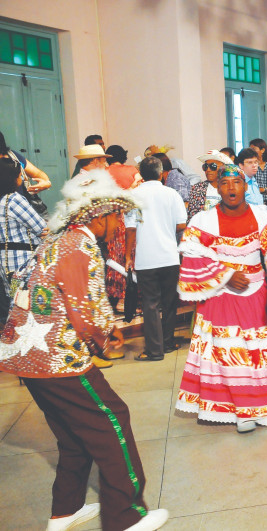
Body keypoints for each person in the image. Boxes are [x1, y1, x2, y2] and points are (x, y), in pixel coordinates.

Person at [0, 170, 169, 531]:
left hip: (25, 357)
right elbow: (82, 304)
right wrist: (105, 336)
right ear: (100, 215)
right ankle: (125, 517)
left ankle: (65, 511)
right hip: (58, 359)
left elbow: (71, 295)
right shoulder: (81, 244)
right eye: (116, 215)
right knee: (113, 419)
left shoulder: (58, 240)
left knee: (71, 434)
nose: (120, 222)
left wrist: (105, 326)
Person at [175, 166, 267, 433]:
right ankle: (243, 410)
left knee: (259, 353)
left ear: (245, 186)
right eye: (225, 183)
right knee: (230, 355)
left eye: (236, 183)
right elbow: (193, 257)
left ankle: (262, 404)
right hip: (221, 297)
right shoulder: (203, 220)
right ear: (217, 189)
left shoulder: (262, 215)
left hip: (258, 297)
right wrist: (227, 275)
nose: (231, 188)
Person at [125, 156, 187, 362]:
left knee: (150, 304)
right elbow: (181, 225)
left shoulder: (134, 195)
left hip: (146, 258)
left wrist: (127, 256)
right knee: (169, 302)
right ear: (161, 173)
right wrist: (165, 225)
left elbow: (131, 229)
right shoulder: (171, 194)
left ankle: (154, 350)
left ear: (141, 174)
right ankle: (168, 343)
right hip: (170, 256)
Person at [104, 145, 141, 317]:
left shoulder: (104, 172)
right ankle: (129, 299)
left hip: (112, 220)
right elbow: (140, 185)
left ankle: (115, 299)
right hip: (131, 218)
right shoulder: (132, 170)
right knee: (129, 257)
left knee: (114, 258)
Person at [0, 158, 46, 276]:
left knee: (13, 293)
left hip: (6, 264)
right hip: (22, 263)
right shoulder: (14, 199)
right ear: (11, 179)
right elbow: (41, 228)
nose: (22, 178)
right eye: (20, 175)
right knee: (25, 293)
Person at [187, 150, 232, 221]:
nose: (208, 170)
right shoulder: (197, 189)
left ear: (224, 168)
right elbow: (192, 217)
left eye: (213, 166)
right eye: (205, 166)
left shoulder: (231, 189)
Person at [249, 138, 267, 204]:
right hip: (255, 202)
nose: (251, 152)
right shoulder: (250, 166)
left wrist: (263, 190)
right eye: (250, 150)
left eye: (254, 149)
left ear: (262, 150)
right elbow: (251, 189)